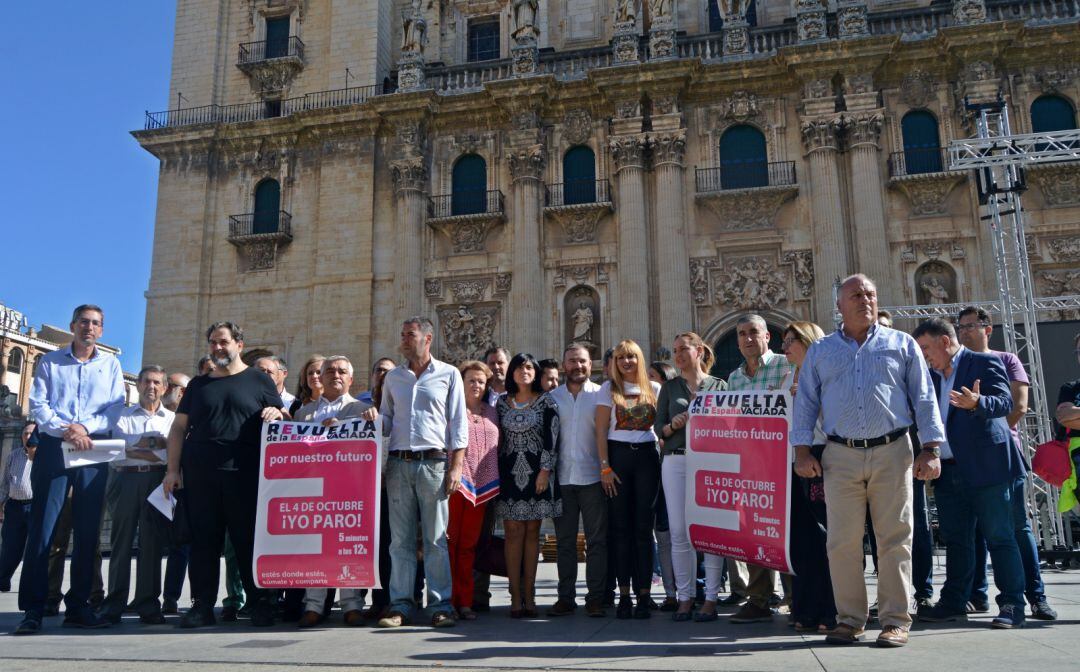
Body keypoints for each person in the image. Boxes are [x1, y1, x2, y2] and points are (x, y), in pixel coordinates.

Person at [793, 274, 945, 648]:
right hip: (840, 453)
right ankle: (849, 620)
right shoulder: (822, 350)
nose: (865, 300)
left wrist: (932, 448)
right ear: (840, 306)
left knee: (894, 537)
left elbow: (924, 398)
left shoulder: (901, 343)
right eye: (856, 295)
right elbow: (806, 403)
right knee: (842, 541)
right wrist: (802, 451)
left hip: (893, 450)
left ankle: (895, 619)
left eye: (871, 294)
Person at [161, 321, 284, 628]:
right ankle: (201, 606)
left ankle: (260, 605)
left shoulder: (259, 381)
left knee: (248, 543)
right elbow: (178, 428)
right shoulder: (199, 386)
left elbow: (284, 418)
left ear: (238, 345)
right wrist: (172, 470)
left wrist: (277, 412)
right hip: (201, 477)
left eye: (223, 342)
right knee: (203, 544)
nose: (218, 347)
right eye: (213, 342)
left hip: (246, 476)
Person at [16, 304, 125, 634]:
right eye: (83, 322)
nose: (89, 328)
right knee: (43, 530)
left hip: (91, 449)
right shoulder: (50, 361)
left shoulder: (111, 365)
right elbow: (39, 405)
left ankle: (79, 606)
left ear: (101, 330)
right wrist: (68, 430)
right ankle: (33, 609)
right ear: (73, 326)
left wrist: (83, 428)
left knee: (88, 531)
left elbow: (115, 407)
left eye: (95, 323)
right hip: (53, 447)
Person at [914, 317, 1027, 629]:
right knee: (957, 540)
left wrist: (978, 402)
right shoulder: (930, 376)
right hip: (948, 471)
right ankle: (953, 602)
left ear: (945, 342)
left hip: (986, 468)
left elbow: (1005, 402)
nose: (924, 354)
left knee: (1000, 537)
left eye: (926, 347)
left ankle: (1012, 604)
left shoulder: (983, 363)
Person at [957, 306, 1056, 620]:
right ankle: (978, 595)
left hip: (1002, 456)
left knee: (1015, 528)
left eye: (971, 326)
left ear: (988, 329)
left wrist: (994, 432)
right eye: (960, 327)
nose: (965, 331)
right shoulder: (956, 366)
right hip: (966, 460)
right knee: (974, 531)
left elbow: (1019, 406)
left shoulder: (1006, 360)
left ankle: (1035, 596)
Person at [377, 317, 468, 629]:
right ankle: (400, 605)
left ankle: (440, 605)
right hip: (398, 464)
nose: (403, 340)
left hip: (434, 464)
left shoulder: (449, 374)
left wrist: (456, 466)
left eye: (410, 335)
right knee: (399, 541)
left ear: (427, 338)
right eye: (402, 334)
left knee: (435, 539)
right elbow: (387, 419)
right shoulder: (393, 378)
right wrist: (371, 422)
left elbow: (458, 423)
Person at [292, 356, 373, 627]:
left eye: (341, 371)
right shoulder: (304, 413)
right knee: (314, 548)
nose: (335, 375)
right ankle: (314, 605)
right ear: (320, 378)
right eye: (329, 371)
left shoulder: (363, 410)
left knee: (347, 547)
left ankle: (351, 605)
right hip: (315, 490)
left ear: (351, 379)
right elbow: (294, 451)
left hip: (350, 491)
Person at [725, 314, 793, 624]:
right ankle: (759, 598)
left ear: (768, 336)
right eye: (741, 334)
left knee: (790, 533)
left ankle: (795, 596)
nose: (747, 338)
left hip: (785, 461)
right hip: (752, 465)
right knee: (754, 533)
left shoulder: (785, 365)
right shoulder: (735, 378)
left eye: (754, 332)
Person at [655, 332, 728, 622]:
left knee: (711, 532)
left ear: (699, 351)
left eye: (683, 349)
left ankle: (710, 598)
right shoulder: (669, 388)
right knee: (678, 532)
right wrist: (672, 426)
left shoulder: (719, 385)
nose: (678, 355)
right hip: (676, 459)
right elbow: (658, 426)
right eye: (674, 351)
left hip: (710, 460)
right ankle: (685, 598)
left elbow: (731, 424)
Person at [100, 365, 176, 625]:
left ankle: (148, 603)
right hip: (125, 480)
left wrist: (136, 446)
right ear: (138, 385)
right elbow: (116, 451)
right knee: (121, 543)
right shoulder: (121, 416)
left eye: (156, 382)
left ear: (164, 388)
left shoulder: (172, 419)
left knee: (152, 544)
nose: (151, 387)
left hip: (158, 481)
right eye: (146, 382)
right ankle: (114, 603)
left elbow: (170, 453)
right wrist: (154, 445)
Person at [598, 339, 662, 620]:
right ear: (614, 363)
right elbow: (600, 432)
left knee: (643, 530)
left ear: (640, 360)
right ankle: (624, 594)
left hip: (647, 458)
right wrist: (605, 468)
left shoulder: (655, 389)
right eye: (621, 358)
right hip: (618, 458)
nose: (626, 362)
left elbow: (662, 428)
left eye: (632, 357)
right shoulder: (607, 390)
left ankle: (645, 595)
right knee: (620, 529)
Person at [779, 321, 837, 633]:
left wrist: (807, 398)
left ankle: (830, 610)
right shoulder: (787, 376)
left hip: (821, 457)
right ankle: (803, 608)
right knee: (800, 539)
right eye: (784, 341)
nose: (785, 347)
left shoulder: (826, 375)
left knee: (824, 537)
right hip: (792, 460)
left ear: (808, 341)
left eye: (791, 341)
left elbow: (837, 418)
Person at [494, 353, 561, 618]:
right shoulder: (501, 403)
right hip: (509, 474)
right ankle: (514, 595)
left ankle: (530, 595)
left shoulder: (546, 402)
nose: (525, 371)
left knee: (533, 533)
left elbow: (552, 438)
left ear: (536, 373)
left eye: (530, 367)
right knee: (512, 533)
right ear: (512, 372)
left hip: (537, 474)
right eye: (520, 367)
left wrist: (545, 471)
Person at [547, 344, 606, 618]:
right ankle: (565, 597)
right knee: (564, 542)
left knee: (596, 541)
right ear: (563, 365)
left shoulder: (601, 395)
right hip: (563, 478)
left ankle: (595, 597)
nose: (577, 366)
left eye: (582, 361)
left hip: (594, 477)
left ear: (589, 364)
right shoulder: (552, 398)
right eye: (572, 361)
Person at [449, 360, 500, 620]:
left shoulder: (492, 412)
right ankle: (448, 600)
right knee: (450, 543)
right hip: (455, 485)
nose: (476, 385)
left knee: (469, 545)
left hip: (483, 488)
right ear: (461, 382)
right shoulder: (452, 411)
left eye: (481, 381)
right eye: (471, 380)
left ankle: (465, 601)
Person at [161, 371, 191, 615]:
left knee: (183, 544)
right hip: (159, 485)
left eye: (170, 385)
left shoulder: (190, 418)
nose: (164, 388)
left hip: (187, 486)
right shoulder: (157, 415)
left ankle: (180, 597)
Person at [0, 424, 35, 593]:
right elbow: (5, 483)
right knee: (9, 547)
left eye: (31, 434)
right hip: (14, 506)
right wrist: (1, 503)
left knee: (33, 549)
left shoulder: (42, 457)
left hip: (34, 506)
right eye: (25, 434)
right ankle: (2, 581)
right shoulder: (13, 455)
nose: (28, 437)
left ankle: (29, 587)